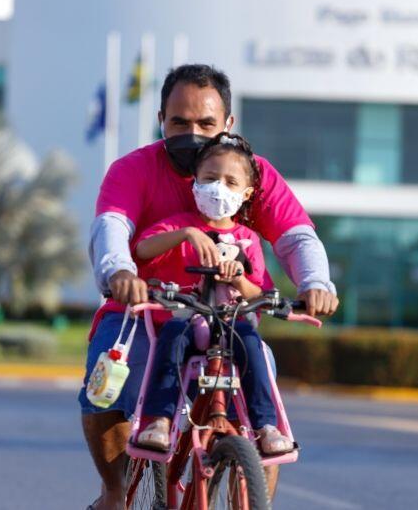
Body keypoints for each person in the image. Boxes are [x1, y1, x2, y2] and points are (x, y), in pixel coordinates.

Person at [83, 64, 338, 510]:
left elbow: (297, 237)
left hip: (230, 321)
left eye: (206, 123)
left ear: (228, 125)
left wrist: (316, 282)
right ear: (161, 118)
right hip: (145, 314)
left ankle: (252, 494)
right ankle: (116, 490)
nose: (192, 133)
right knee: (103, 386)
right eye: (179, 122)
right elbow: (112, 228)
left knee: (266, 391)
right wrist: (119, 273)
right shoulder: (134, 169)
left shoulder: (251, 175)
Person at [134, 132, 294, 455]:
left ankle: (265, 426)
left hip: (230, 325)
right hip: (187, 321)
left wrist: (237, 280)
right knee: (174, 336)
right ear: (195, 181)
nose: (218, 187)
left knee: (252, 343)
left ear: (247, 193)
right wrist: (186, 235)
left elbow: (257, 293)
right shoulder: (180, 225)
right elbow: (142, 248)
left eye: (230, 181)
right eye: (210, 178)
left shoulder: (248, 239)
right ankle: (159, 421)